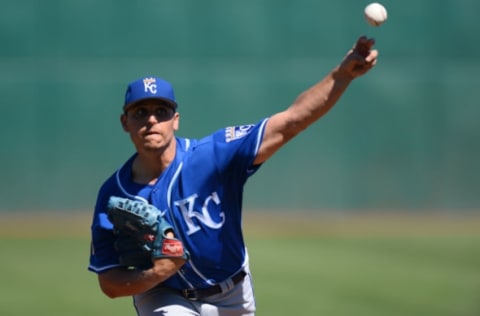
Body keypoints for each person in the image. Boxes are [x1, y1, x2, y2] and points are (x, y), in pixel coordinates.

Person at [88, 36, 378, 316]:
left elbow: (291, 121)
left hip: (233, 294)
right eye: (140, 112)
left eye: (161, 111)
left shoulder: (212, 155)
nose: (151, 119)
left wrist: (342, 76)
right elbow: (109, 283)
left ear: (175, 120)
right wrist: (155, 274)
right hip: (162, 295)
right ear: (125, 122)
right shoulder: (115, 194)